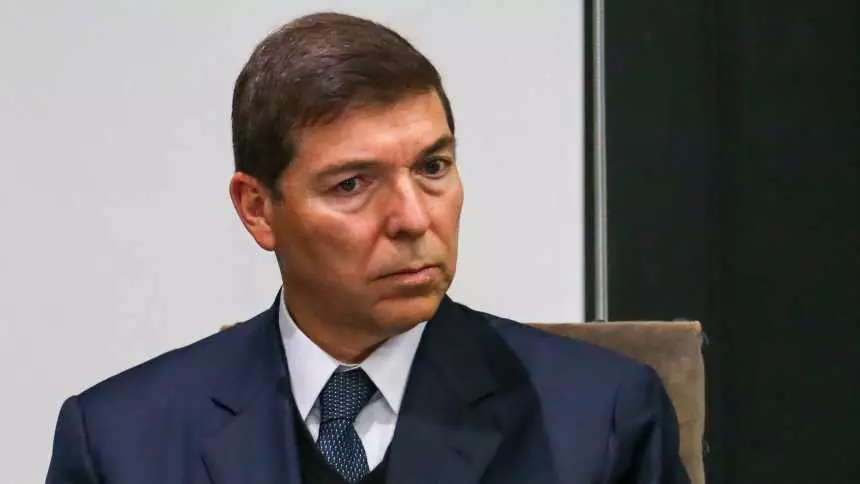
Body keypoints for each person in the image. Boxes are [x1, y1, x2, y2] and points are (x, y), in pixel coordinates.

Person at [46, 12, 689, 484]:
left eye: (433, 168)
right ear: (258, 209)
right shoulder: (120, 444)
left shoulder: (600, 421)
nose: (413, 218)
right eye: (352, 184)